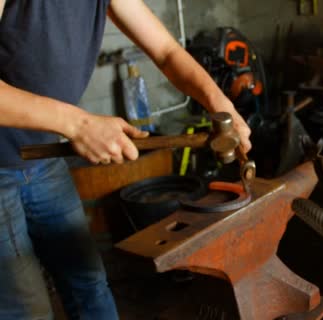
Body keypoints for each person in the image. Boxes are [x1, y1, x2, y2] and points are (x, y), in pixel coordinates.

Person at [0, 0, 252, 319]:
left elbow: (167, 53)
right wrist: (79, 124)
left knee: (87, 282)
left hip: (43, 157)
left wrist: (220, 103)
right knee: (25, 308)